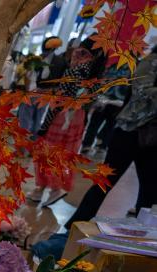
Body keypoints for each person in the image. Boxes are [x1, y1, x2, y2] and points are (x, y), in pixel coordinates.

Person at [33, 45, 157, 259]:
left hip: (152, 138)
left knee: (150, 193)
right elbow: (141, 91)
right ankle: (67, 235)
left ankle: (140, 249)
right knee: (103, 183)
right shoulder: (151, 61)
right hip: (129, 132)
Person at [28, 37, 106, 206]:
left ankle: (52, 189)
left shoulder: (76, 69)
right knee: (64, 154)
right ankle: (43, 189)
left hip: (62, 116)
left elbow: (61, 99)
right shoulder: (96, 73)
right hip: (77, 117)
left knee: (48, 153)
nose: (76, 52)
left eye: (81, 50)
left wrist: (45, 124)